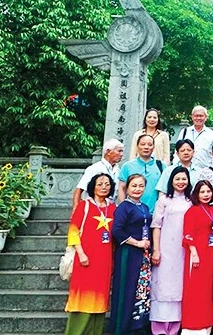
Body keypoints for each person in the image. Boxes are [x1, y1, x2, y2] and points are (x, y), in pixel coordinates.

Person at [64, 173, 116, 335]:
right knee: (82, 299)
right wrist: (81, 253)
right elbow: (73, 232)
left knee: (100, 299)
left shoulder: (113, 208)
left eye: (107, 184)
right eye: (100, 184)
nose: (103, 187)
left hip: (105, 260)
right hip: (85, 259)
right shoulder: (84, 205)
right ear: (92, 186)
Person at [149, 167, 193, 335]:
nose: (181, 182)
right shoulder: (164, 200)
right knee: (162, 285)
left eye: (184, 179)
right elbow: (156, 226)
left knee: (180, 286)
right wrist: (156, 250)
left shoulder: (191, 201)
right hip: (166, 249)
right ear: (171, 181)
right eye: (177, 179)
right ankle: (159, 329)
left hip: (183, 251)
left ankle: (175, 328)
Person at [109, 174, 152, 334]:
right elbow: (117, 231)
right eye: (134, 186)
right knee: (126, 290)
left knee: (141, 290)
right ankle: (122, 327)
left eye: (141, 186)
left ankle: (138, 325)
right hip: (128, 253)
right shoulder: (123, 207)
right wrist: (137, 242)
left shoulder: (144, 207)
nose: (137, 189)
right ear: (127, 188)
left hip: (143, 256)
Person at [181, 180, 213, 335]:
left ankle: (207, 325)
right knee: (195, 290)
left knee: (208, 290)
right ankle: (192, 327)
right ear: (196, 194)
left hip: (212, 255)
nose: (205, 195)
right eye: (202, 192)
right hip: (197, 255)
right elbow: (187, 235)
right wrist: (194, 254)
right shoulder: (192, 211)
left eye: (208, 191)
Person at [118, 133, 164, 212]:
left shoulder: (161, 166)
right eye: (143, 144)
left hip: (155, 213)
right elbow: (122, 188)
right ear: (137, 146)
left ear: (153, 147)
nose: (146, 147)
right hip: (131, 213)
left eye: (150, 144)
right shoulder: (127, 166)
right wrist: (122, 209)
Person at [72, 138, 123, 210]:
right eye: (119, 151)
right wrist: (75, 209)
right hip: (93, 208)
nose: (121, 154)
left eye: (122, 151)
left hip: (110, 208)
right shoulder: (94, 168)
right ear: (108, 152)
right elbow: (79, 189)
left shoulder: (118, 170)